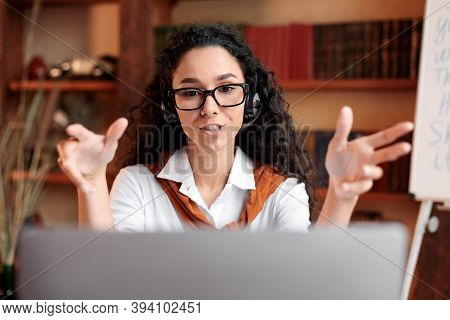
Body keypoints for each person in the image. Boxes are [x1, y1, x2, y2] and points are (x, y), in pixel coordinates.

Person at [56, 23, 414, 232]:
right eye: (192, 91)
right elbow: (106, 288)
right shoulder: (136, 184)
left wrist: (341, 194)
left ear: (251, 101)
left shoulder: (280, 193)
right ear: (170, 105)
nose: (209, 108)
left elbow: (306, 290)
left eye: (226, 89)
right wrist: (91, 183)